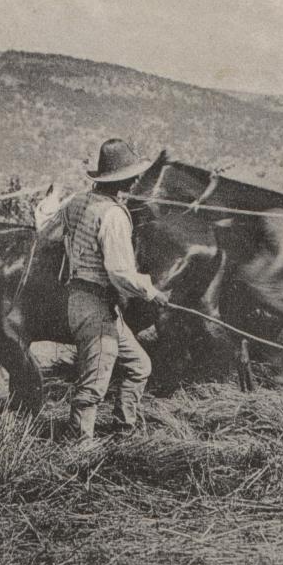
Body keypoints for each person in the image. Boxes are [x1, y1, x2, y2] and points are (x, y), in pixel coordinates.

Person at [61, 138, 169, 440]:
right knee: (94, 383)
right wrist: (152, 292)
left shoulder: (76, 202)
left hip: (86, 303)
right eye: (132, 174)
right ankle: (79, 448)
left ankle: (123, 430)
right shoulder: (113, 216)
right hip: (96, 308)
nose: (136, 178)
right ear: (120, 179)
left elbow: (54, 232)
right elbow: (119, 272)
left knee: (139, 365)